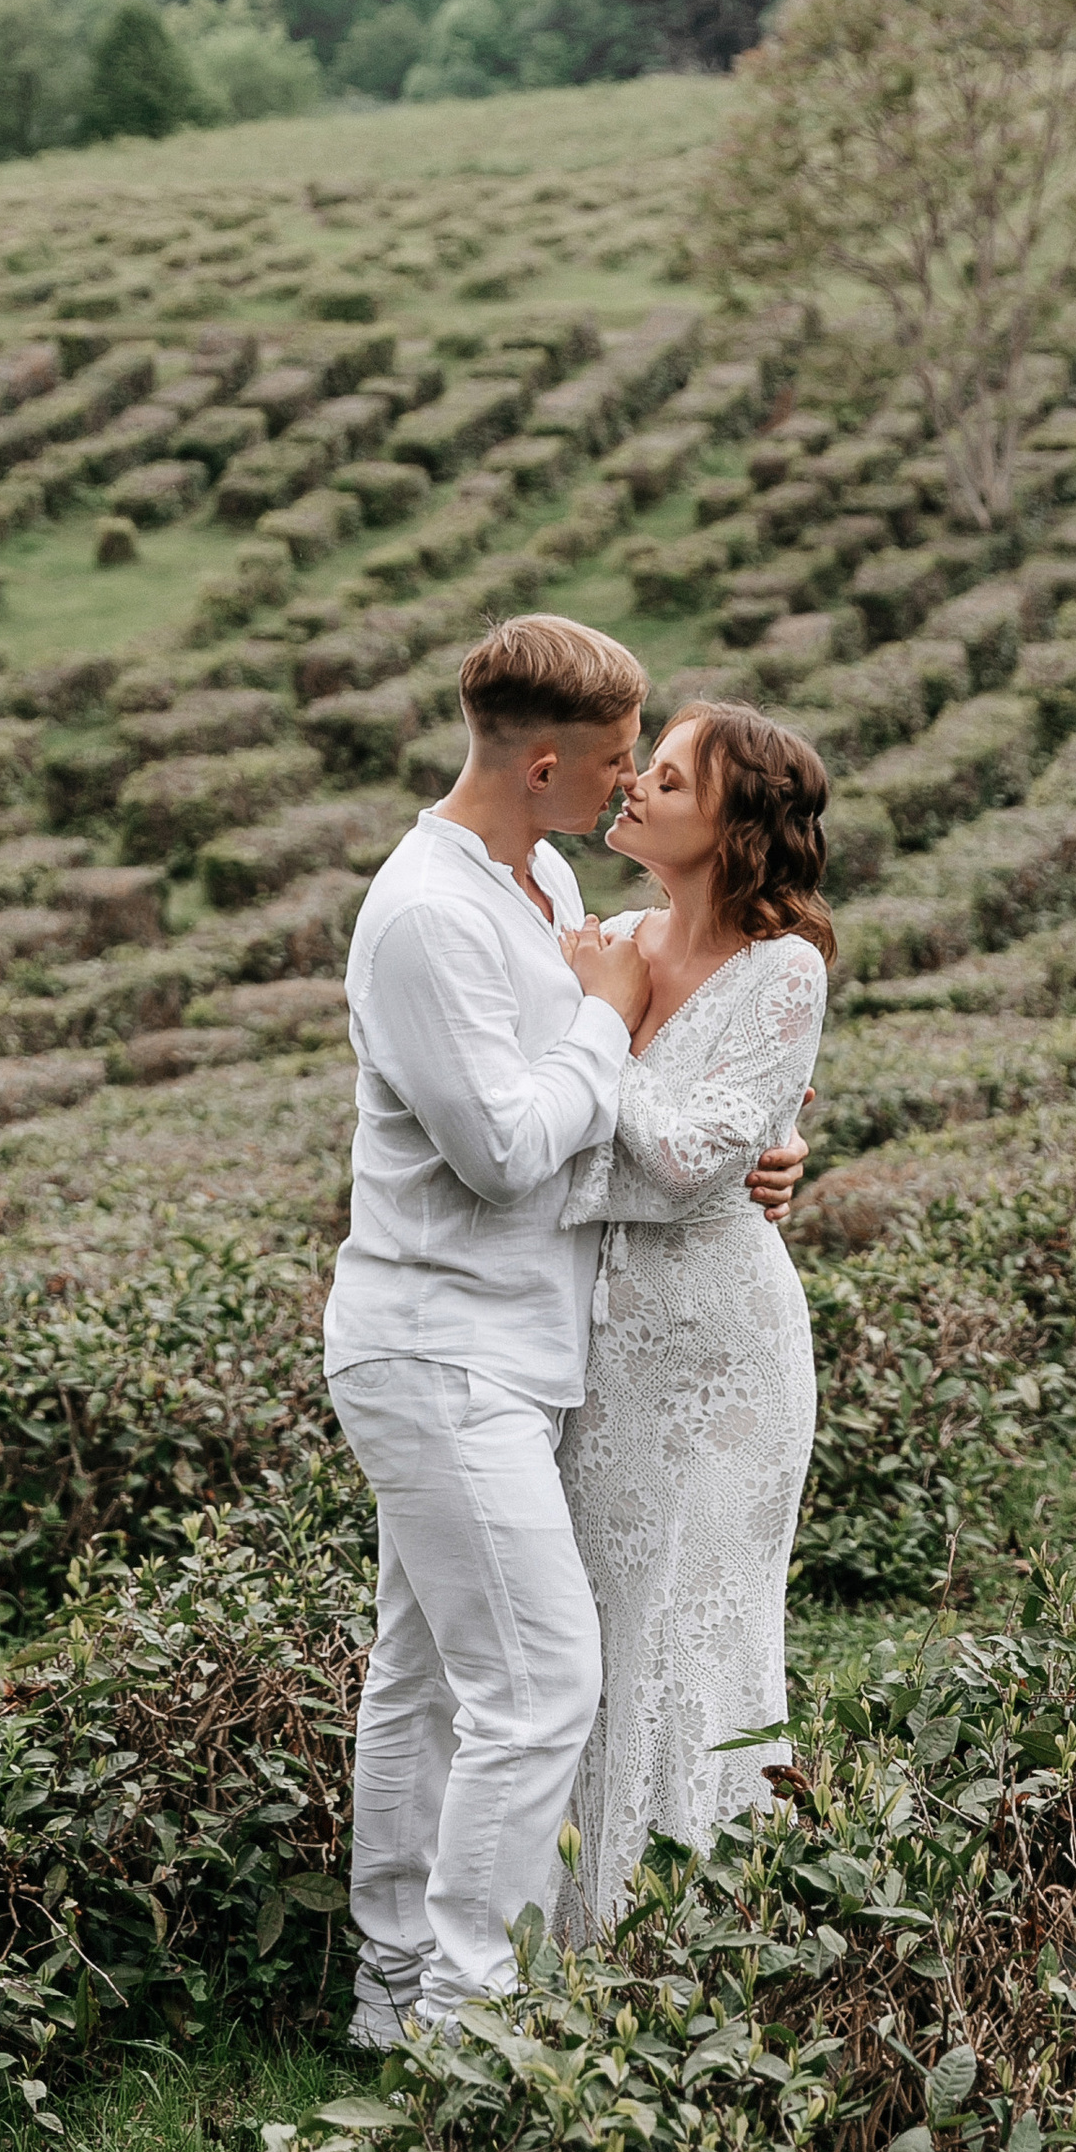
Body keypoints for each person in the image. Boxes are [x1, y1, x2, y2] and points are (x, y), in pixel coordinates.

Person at [323, 615, 805, 2045]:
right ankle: (474, 2021)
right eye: (609, 765)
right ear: (542, 764)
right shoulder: (426, 914)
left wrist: (743, 1158)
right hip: (441, 1349)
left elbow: (679, 1089)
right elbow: (505, 1150)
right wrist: (602, 1024)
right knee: (541, 1689)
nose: (620, 793)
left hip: (527, 1348)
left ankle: (389, 1994)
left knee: (421, 1685)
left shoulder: (532, 874)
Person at [554, 698, 832, 1938]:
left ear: (732, 825)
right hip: (602, 1358)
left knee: (698, 1626)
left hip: (725, 1360)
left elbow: (679, 1160)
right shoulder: (603, 935)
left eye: (669, 780)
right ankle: (568, 1929)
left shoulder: (785, 967)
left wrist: (610, 1031)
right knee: (602, 1635)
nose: (637, 790)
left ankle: (696, 1931)